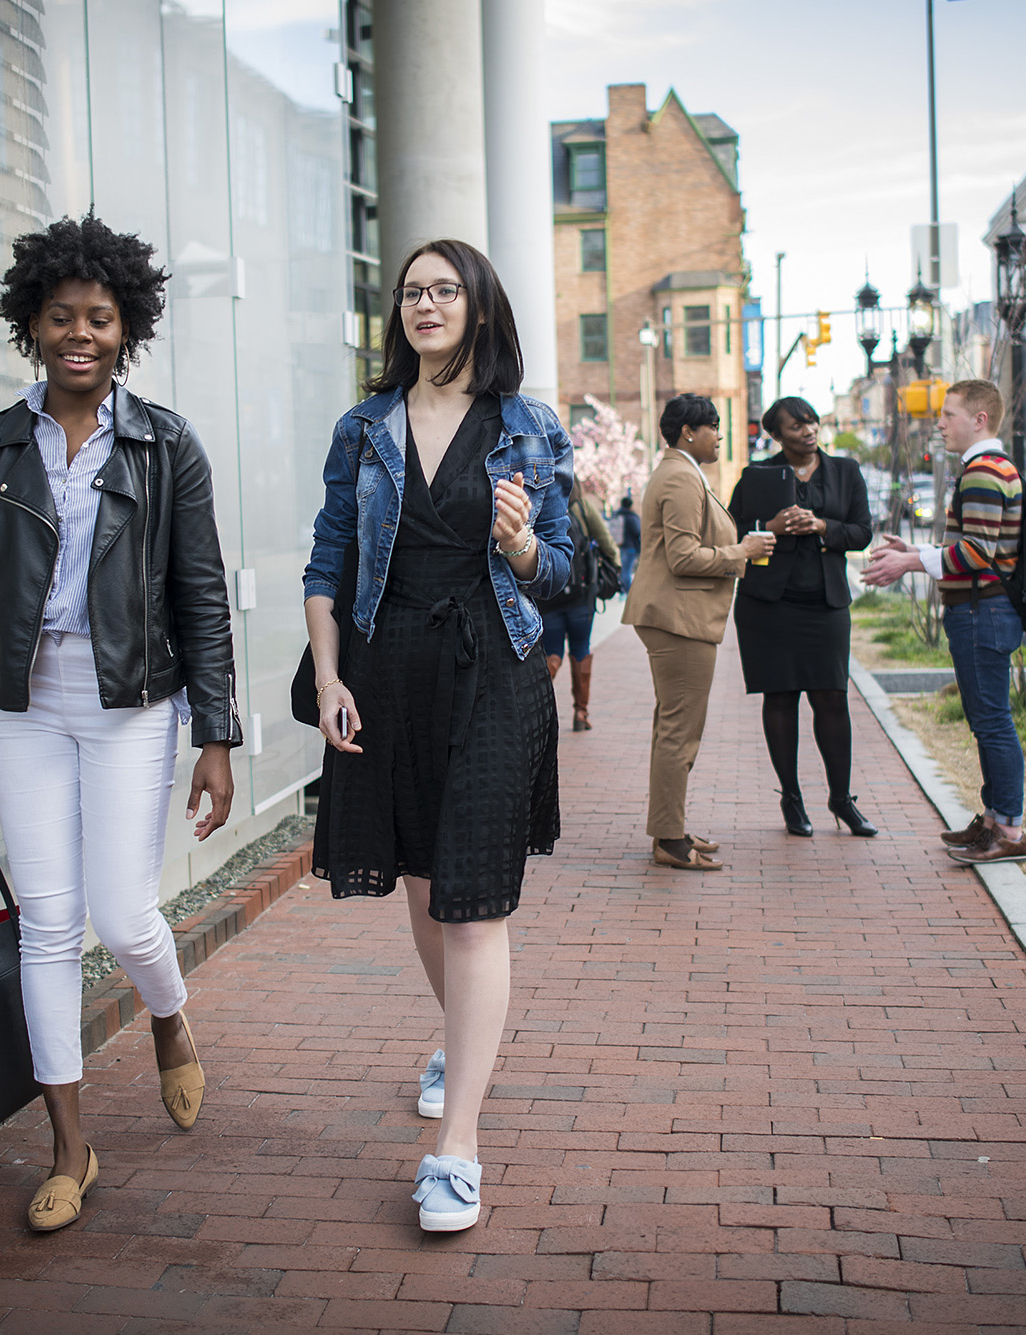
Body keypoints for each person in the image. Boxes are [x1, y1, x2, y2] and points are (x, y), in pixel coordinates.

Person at [0, 216, 241, 1233]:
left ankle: (167, 1013)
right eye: (59, 317)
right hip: (23, 706)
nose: (80, 334)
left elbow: (200, 593)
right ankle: (70, 1146)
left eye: (99, 318)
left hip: (129, 706)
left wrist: (215, 736)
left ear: (126, 328)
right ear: (30, 323)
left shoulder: (164, 444)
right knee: (49, 929)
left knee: (121, 915)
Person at [303, 238, 573, 1234]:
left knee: (471, 907)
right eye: (411, 291)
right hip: (385, 675)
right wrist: (329, 675)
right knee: (419, 887)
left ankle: (456, 1145)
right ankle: (458, 1038)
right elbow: (326, 561)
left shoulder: (526, 427)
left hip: (494, 676)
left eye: (443, 290)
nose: (424, 304)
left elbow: (565, 577)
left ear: (477, 309)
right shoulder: (362, 428)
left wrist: (519, 544)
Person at [862, 378, 1026, 865]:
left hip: (982, 609)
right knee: (986, 720)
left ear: (979, 419)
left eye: (948, 415)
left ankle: (1010, 832)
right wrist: (919, 552)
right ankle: (996, 820)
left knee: (993, 723)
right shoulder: (990, 467)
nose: (939, 424)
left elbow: (978, 552)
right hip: (983, 608)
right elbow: (976, 547)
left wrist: (910, 564)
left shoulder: (982, 471)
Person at [621, 393, 776, 870]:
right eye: (714, 426)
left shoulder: (680, 473)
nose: (720, 435)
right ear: (690, 431)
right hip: (679, 619)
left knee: (674, 728)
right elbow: (684, 557)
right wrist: (742, 552)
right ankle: (669, 840)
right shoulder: (682, 478)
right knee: (679, 732)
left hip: (677, 617)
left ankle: (670, 827)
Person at [727, 397, 877, 838]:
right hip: (769, 604)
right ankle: (791, 799)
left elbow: (862, 531)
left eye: (811, 421)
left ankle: (841, 799)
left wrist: (823, 527)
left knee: (832, 697)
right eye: (796, 426)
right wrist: (770, 526)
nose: (808, 430)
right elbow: (731, 529)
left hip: (826, 604)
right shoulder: (757, 476)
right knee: (781, 698)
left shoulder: (845, 471)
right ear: (776, 435)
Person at [541, 491, 619, 730]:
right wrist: (615, 566)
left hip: (548, 597)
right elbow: (606, 542)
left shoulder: (539, 500)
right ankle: (581, 713)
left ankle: (539, 710)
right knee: (581, 650)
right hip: (580, 595)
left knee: (551, 653)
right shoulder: (582, 507)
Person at [615, 495, 642, 592]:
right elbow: (637, 531)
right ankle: (626, 590)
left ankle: (622, 588)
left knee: (623, 569)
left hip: (619, 545)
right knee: (627, 570)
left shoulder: (617, 515)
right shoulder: (631, 517)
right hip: (630, 547)